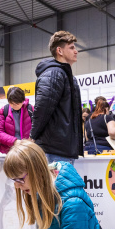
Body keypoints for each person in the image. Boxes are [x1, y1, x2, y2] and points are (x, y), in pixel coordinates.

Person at [31, 31, 83, 164]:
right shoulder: (54, 74)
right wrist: (32, 136)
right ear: (59, 51)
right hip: (54, 150)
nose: (76, 51)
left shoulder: (66, 76)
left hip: (62, 149)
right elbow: (42, 109)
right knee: (55, 179)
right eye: (71, 47)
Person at [0, 86, 32, 154]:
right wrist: (14, 141)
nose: (14, 106)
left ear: (22, 101)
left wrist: (32, 138)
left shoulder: (30, 109)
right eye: (11, 103)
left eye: (17, 104)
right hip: (8, 151)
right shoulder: (4, 111)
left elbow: (38, 128)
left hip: (27, 150)